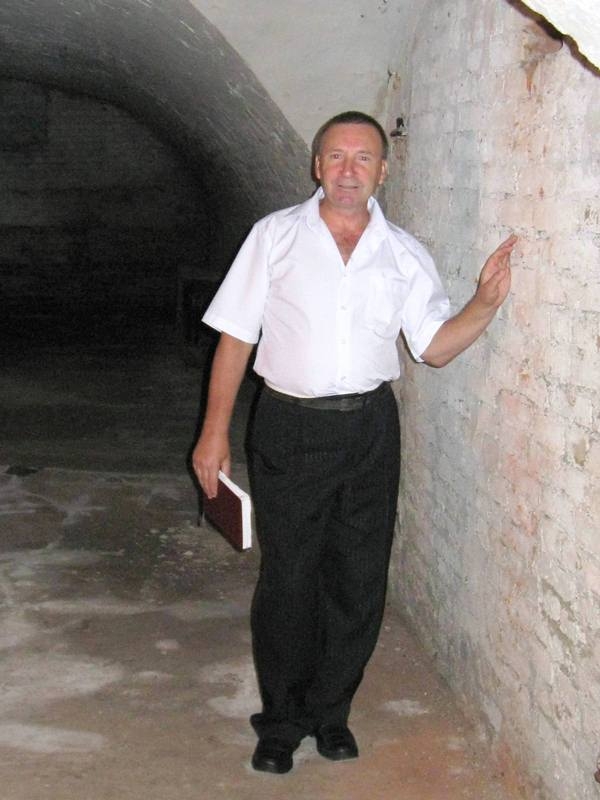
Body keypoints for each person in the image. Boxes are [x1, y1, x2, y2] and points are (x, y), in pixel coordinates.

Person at [192, 110, 517, 775]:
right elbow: (236, 336)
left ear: (382, 171)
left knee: (359, 577)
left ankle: (331, 713)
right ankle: (282, 722)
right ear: (317, 166)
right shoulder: (275, 237)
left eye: (363, 158)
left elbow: (434, 348)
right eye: (336, 157)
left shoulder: (404, 254)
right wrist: (213, 432)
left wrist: (484, 304)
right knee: (289, 578)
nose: (348, 170)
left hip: (370, 427)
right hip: (289, 424)